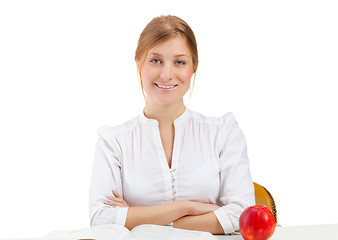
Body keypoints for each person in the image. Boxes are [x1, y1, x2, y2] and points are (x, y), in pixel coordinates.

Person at [89, 15, 255, 235]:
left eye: (179, 62)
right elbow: (101, 218)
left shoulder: (223, 132)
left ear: (193, 67)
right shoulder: (113, 141)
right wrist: (186, 207)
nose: (166, 74)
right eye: (155, 60)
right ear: (139, 64)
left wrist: (136, 218)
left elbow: (240, 215)